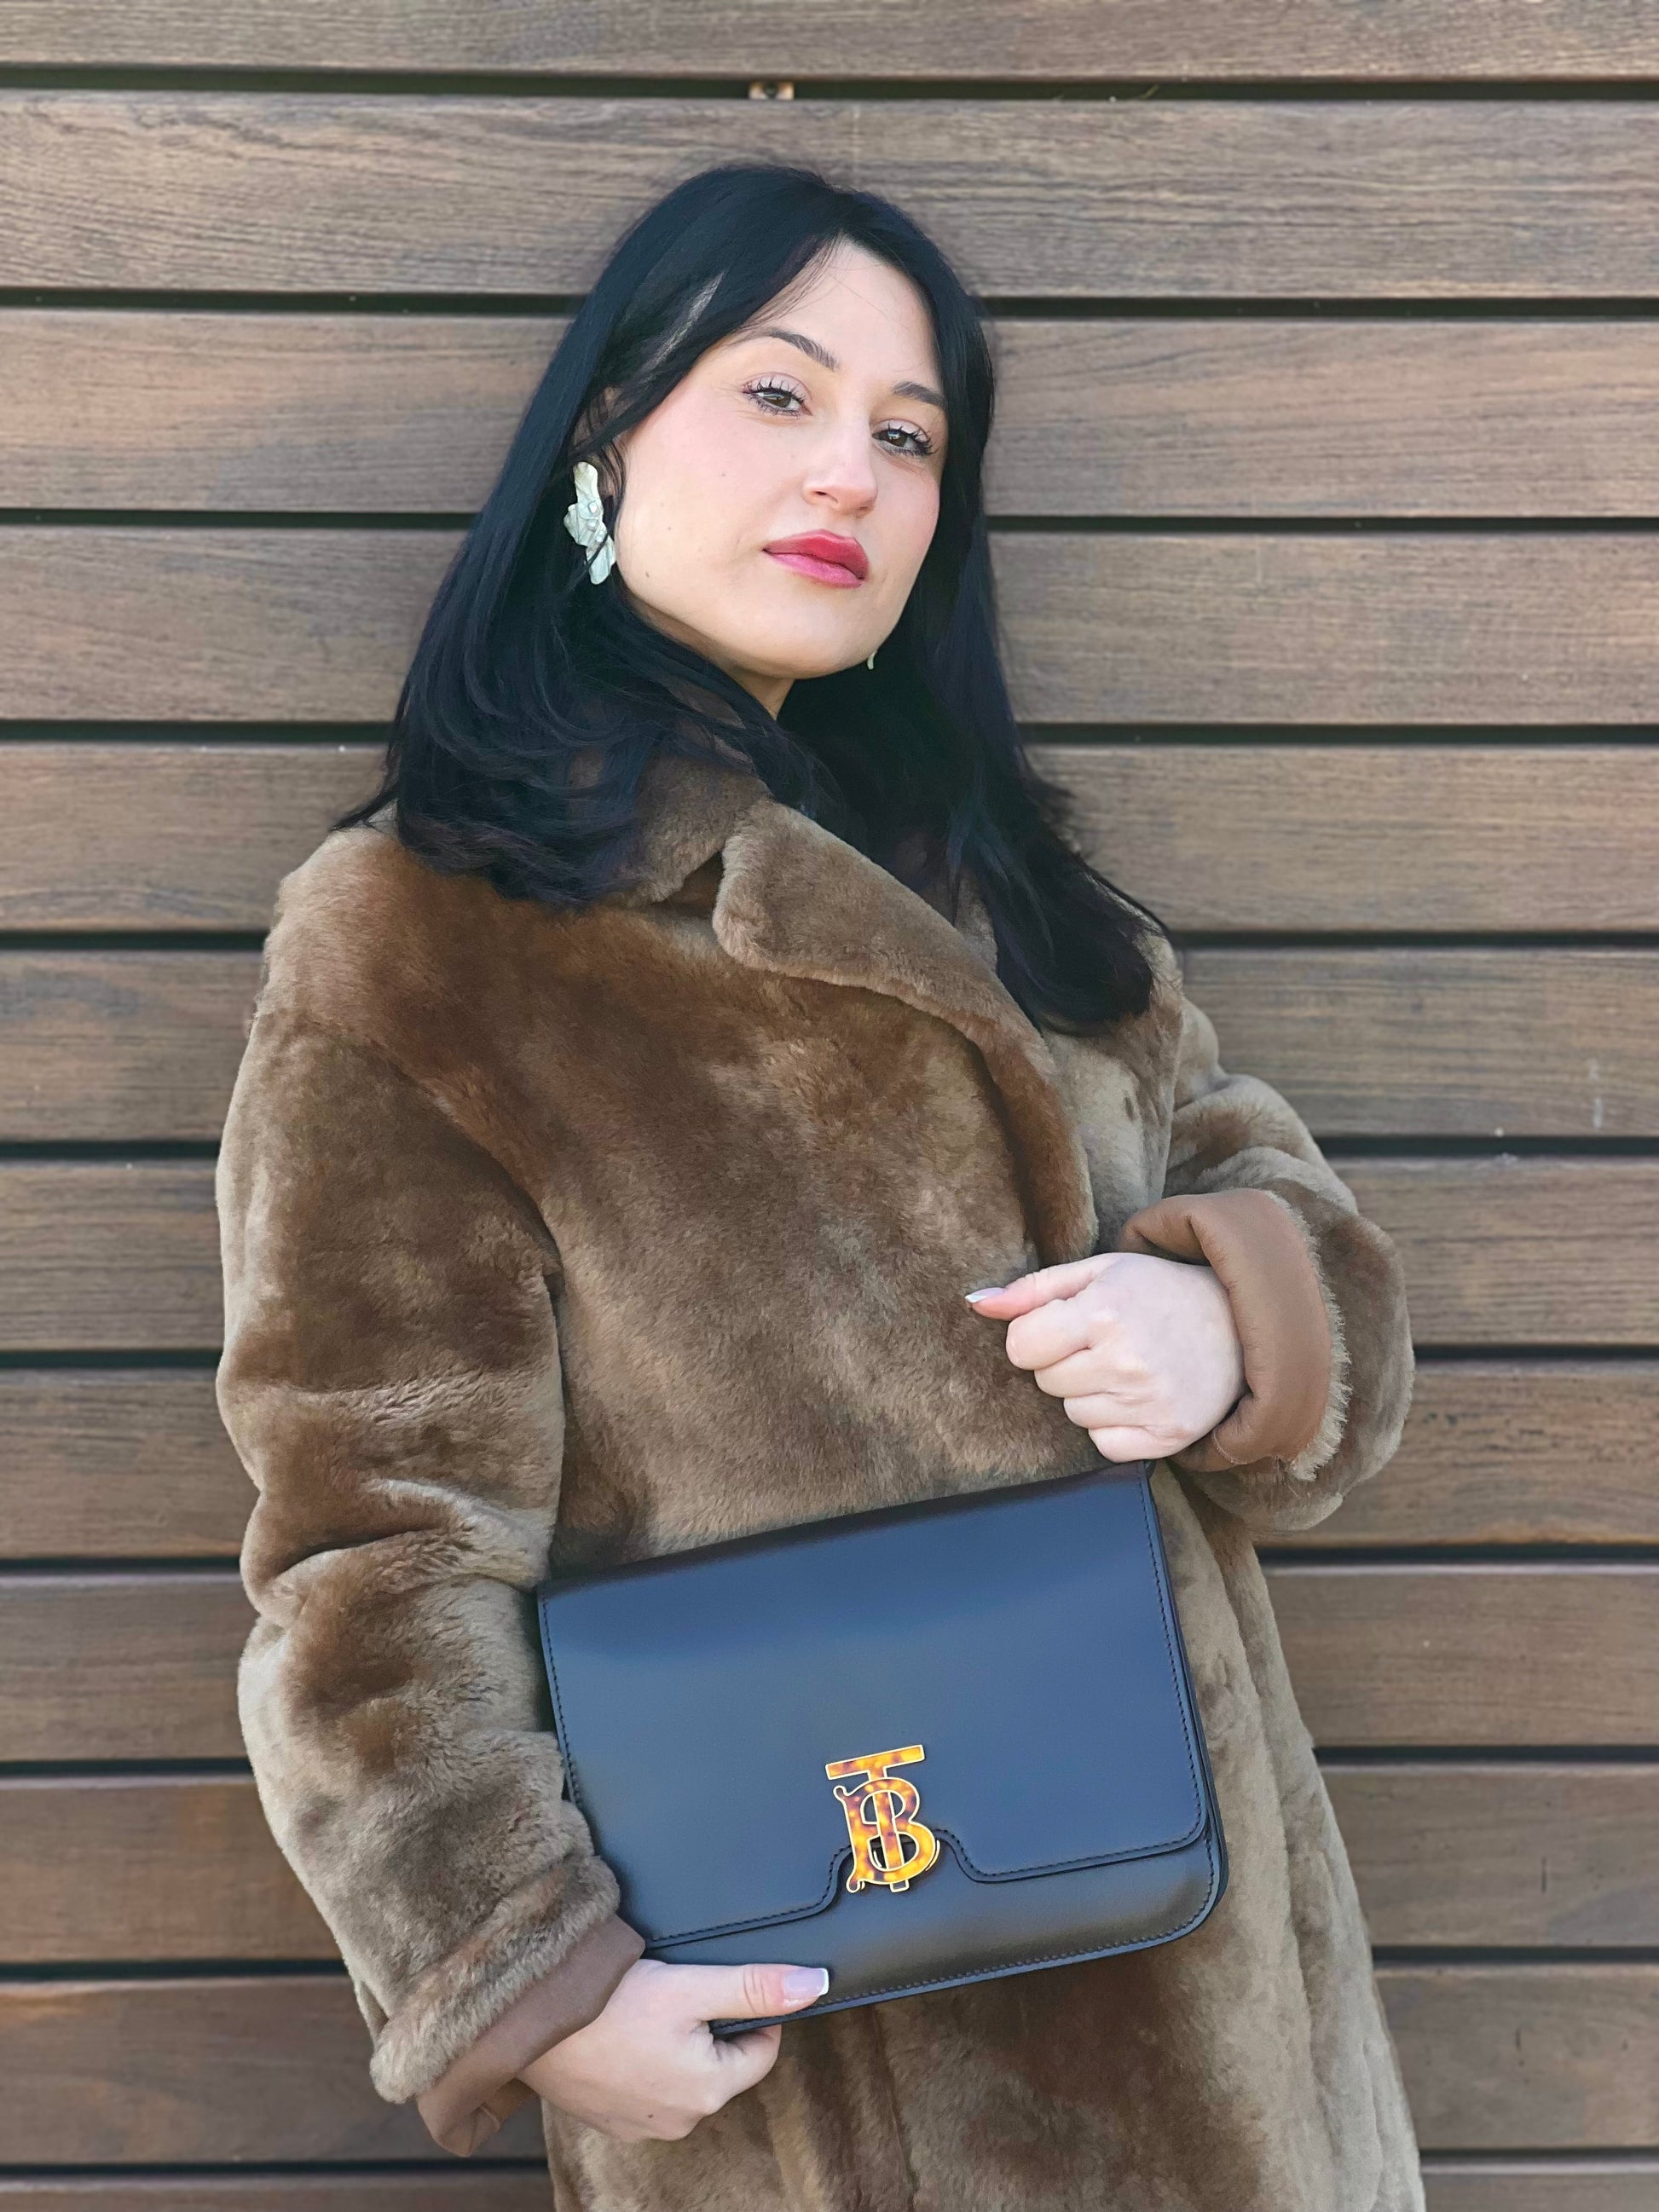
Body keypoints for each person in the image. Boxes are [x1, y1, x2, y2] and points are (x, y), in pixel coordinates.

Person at [215, 161, 1424, 2210]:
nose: (850, 470)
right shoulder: (423, 939)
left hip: (1233, 2022)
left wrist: (1234, 1317)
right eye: (777, 393)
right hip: (840, 2048)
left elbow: (1265, 1189)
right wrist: (526, 1972)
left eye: (909, 434)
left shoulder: (1002, 881)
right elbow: (370, 1545)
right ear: (604, 433)